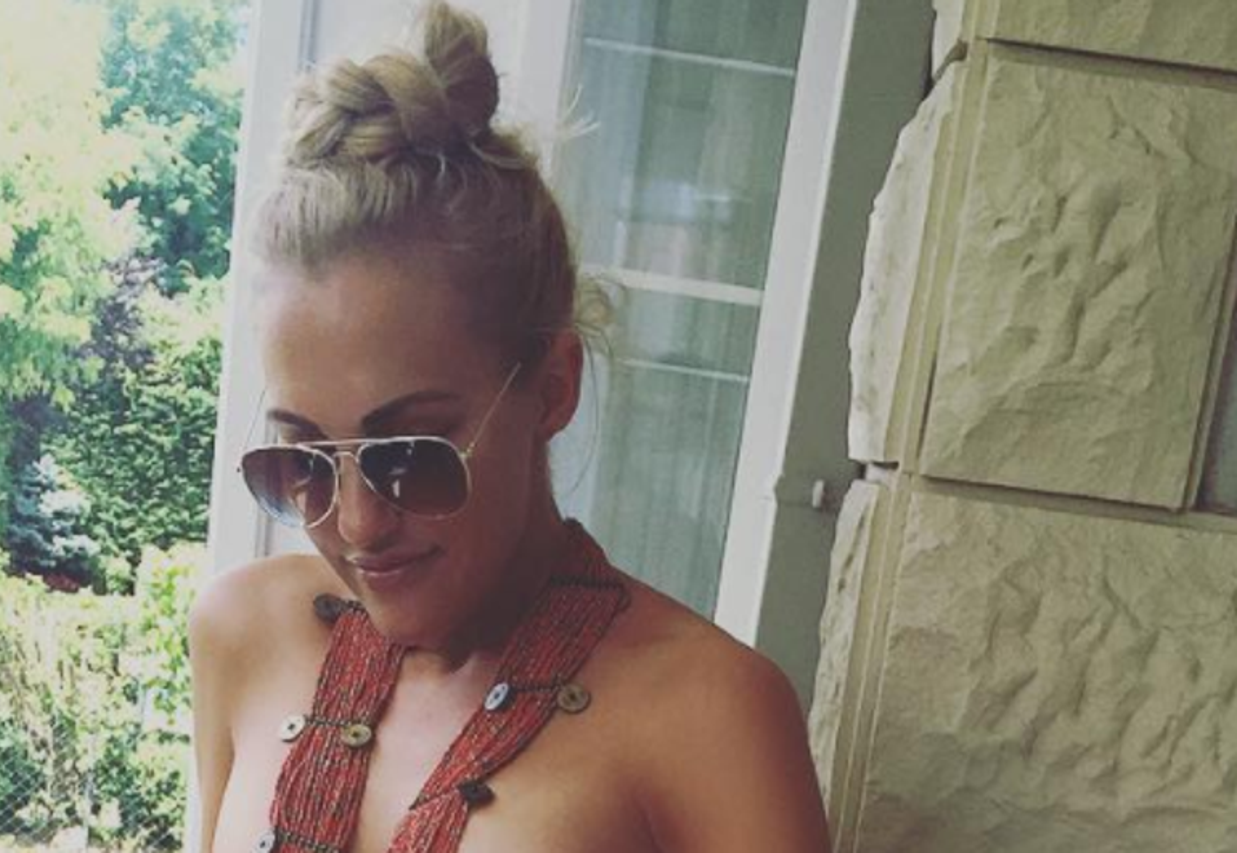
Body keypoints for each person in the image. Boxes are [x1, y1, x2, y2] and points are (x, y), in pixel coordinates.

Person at [188, 3, 832, 851]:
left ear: (552, 387)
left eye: (410, 457)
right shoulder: (242, 633)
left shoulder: (707, 715)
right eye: (301, 462)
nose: (356, 524)